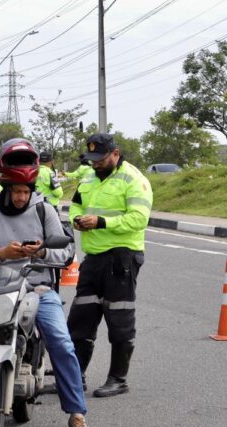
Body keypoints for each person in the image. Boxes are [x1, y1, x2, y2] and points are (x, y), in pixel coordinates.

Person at [0, 138, 92, 427]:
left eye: (25, 191)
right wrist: (2, 254)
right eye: (16, 191)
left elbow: (65, 252)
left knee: (61, 341)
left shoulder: (45, 211)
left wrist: (41, 252)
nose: (20, 197)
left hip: (37, 288)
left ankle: (76, 413)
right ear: (5, 187)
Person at [67, 133, 153, 398]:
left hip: (121, 258)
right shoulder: (88, 177)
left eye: (100, 158)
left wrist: (102, 222)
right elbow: (75, 206)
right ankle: (74, 378)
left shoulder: (134, 179)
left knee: (119, 320)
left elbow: (139, 219)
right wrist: (77, 220)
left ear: (115, 154)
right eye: (92, 158)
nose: (95, 163)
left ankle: (118, 379)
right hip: (92, 258)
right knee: (80, 320)